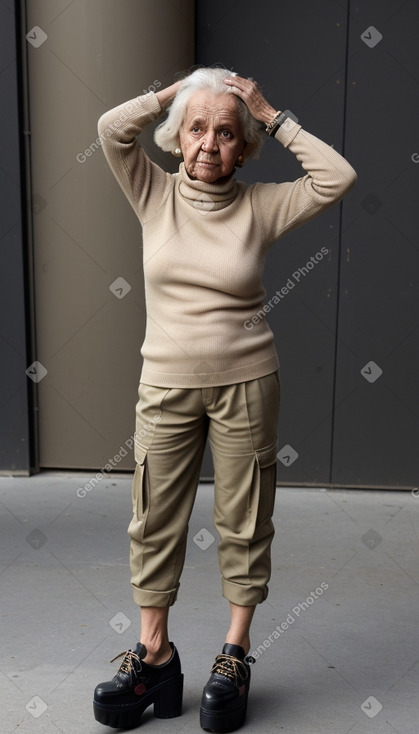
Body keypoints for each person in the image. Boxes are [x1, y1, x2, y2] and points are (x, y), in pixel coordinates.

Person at [93, 66, 356, 732]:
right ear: (177, 137)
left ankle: (233, 655)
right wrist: (177, 90)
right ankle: (154, 656)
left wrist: (267, 110)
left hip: (246, 384)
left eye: (226, 132)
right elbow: (109, 129)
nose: (209, 143)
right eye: (196, 128)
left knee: (244, 522)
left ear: (242, 147)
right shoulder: (149, 190)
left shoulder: (261, 204)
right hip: (165, 384)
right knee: (153, 519)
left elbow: (336, 177)